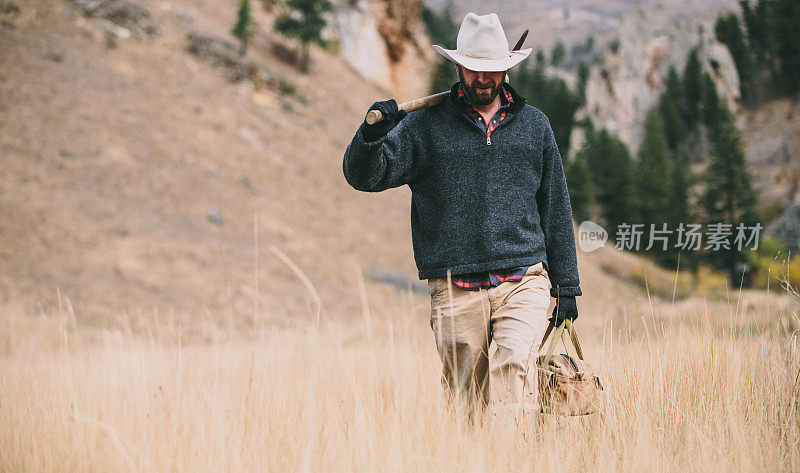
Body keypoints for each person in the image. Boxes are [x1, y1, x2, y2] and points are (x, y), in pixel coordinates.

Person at [342, 12, 582, 425]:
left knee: (513, 382)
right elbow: (365, 177)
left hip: (522, 280)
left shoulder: (535, 126)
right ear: (459, 67)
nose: (483, 79)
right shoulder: (423, 126)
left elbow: (555, 205)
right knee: (465, 407)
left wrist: (566, 286)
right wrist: (370, 136)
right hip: (455, 288)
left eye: (491, 70)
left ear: (505, 69)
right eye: (474, 69)